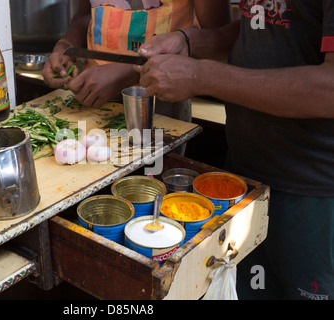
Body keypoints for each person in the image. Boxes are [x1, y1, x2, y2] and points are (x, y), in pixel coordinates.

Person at [134, 1, 334, 300]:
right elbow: (259, 29)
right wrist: (189, 40)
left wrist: (203, 76)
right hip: (245, 177)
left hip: (314, 195)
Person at [42, 0, 232, 154]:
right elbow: (85, 13)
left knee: (149, 185)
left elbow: (219, 41)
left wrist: (129, 73)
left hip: (160, 102)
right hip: (92, 97)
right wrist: (67, 44)